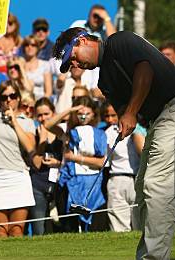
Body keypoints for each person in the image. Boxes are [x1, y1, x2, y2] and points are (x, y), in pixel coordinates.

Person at [53, 27, 175, 260]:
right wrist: (128, 117)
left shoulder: (118, 41)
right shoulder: (104, 82)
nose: (76, 64)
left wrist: (131, 112)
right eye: (70, 64)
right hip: (161, 120)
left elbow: (144, 71)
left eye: (74, 56)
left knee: (158, 186)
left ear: (82, 39)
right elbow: (126, 110)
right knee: (143, 187)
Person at [0, 44, 36, 237]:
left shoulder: (27, 122)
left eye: (12, 96)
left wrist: (15, 121)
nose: (8, 100)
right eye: (4, 97)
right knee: (0, 231)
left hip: (18, 176)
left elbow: (30, 146)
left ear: (18, 99)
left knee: (17, 230)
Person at [59, 96, 107, 232]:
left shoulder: (99, 134)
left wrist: (74, 158)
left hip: (93, 183)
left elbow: (101, 162)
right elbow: (48, 125)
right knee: (72, 226)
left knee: (95, 227)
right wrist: (71, 110)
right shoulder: (68, 133)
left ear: (93, 114)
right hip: (73, 182)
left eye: (87, 113)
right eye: (79, 113)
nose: (83, 116)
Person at [103, 102, 145, 232]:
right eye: (107, 116)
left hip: (138, 178)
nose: (111, 119)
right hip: (117, 179)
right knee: (119, 229)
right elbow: (105, 160)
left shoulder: (140, 129)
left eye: (114, 115)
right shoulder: (109, 132)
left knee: (141, 227)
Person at [29, 98, 65, 235]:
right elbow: (36, 163)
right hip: (38, 184)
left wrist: (58, 163)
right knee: (39, 229)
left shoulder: (61, 133)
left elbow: (67, 159)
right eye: (39, 115)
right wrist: (42, 141)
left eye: (46, 114)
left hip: (58, 184)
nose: (43, 118)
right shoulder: (33, 134)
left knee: (59, 227)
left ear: (53, 113)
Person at [19, 35, 52, 100]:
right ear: (23, 48)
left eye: (33, 45)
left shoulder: (45, 65)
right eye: (26, 45)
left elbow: (48, 92)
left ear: (37, 48)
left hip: (41, 101)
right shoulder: (19, 65)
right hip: (23, 101)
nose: (29, 47)